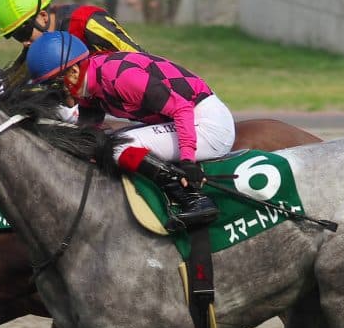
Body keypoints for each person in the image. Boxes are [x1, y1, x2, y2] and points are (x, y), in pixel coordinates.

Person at [26, 31, 235, 230]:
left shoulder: (122, 78)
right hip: (187, 119)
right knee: (107, 142)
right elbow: (88, 131)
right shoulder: (88, 82)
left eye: (53, 85)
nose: (54, 94)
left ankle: (195, 199)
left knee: (117, 146)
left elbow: (182, 108)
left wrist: (188, 161)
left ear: (73, 72)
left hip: (209, 125)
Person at [0, 0, 142, 53]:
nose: (24, 43)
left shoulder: (88, 23)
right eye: (16, 37)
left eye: (22, 33)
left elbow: (142, 62)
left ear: (43, 16)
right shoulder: (36, 45)